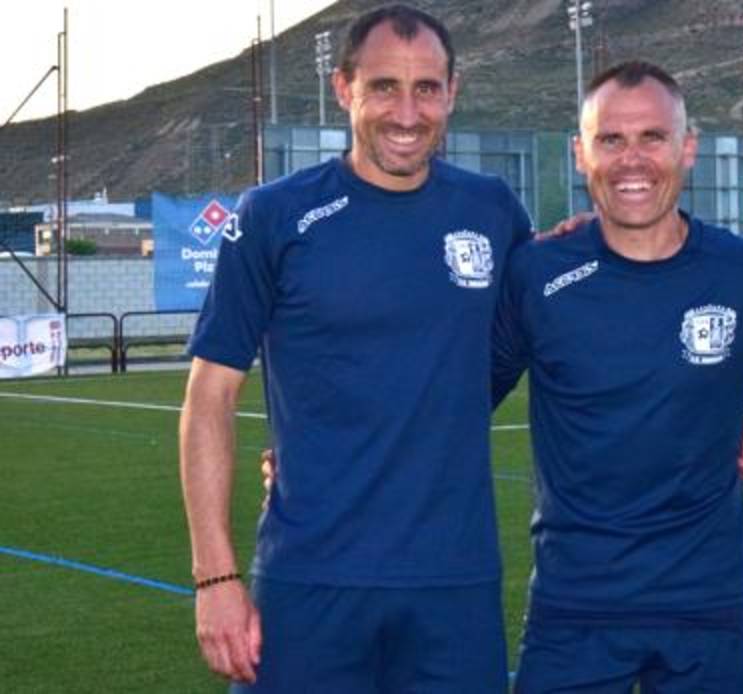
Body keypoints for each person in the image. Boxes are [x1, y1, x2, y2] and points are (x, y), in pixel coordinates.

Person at [178, 5, 530, 691]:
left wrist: (699, 428)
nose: (407, 112)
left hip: (454, 582)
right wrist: (215, 575)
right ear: (343, 88)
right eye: (383, 87)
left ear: (452, 92)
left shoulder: (491, 210)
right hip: (312, 575)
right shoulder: (275, 216)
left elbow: (572, 326)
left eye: (426, 88)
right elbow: (209, 396)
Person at [490, 61, 743, 693]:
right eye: (611, 140)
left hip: (708, 606)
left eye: (653, 138)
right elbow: (446, 402)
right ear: (582, 154)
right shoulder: (537, 275)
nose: (631, 160)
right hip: (574, 605)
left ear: (687, 148)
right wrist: (320, 452)